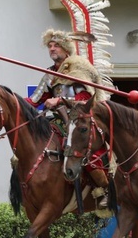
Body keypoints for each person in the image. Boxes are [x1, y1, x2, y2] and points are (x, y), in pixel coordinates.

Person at [26, 29, 110, 209]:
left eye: (56, 45)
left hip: (81, 119)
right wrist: (9, 99)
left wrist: (60, 100)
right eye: (50, 46)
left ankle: (103, 189)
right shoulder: (49, 74)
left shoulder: (78, 68)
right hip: (58, 121)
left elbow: (86, 99)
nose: (52, 48)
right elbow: (33, 100)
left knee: (80, 147)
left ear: (65, 49)